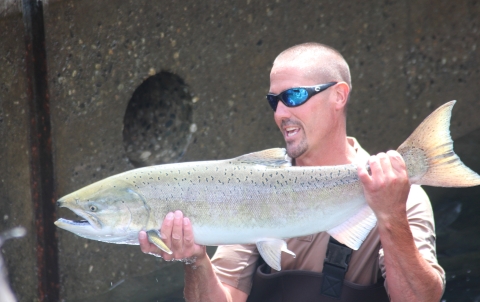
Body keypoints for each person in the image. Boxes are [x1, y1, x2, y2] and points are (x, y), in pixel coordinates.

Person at [138, 42, 445, 301]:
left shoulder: (399, 194)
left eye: (294, 96)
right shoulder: (253, 187)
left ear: (339, 96)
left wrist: (391, 216)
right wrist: (195, 259)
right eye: (274, 101)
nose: (281, 113)